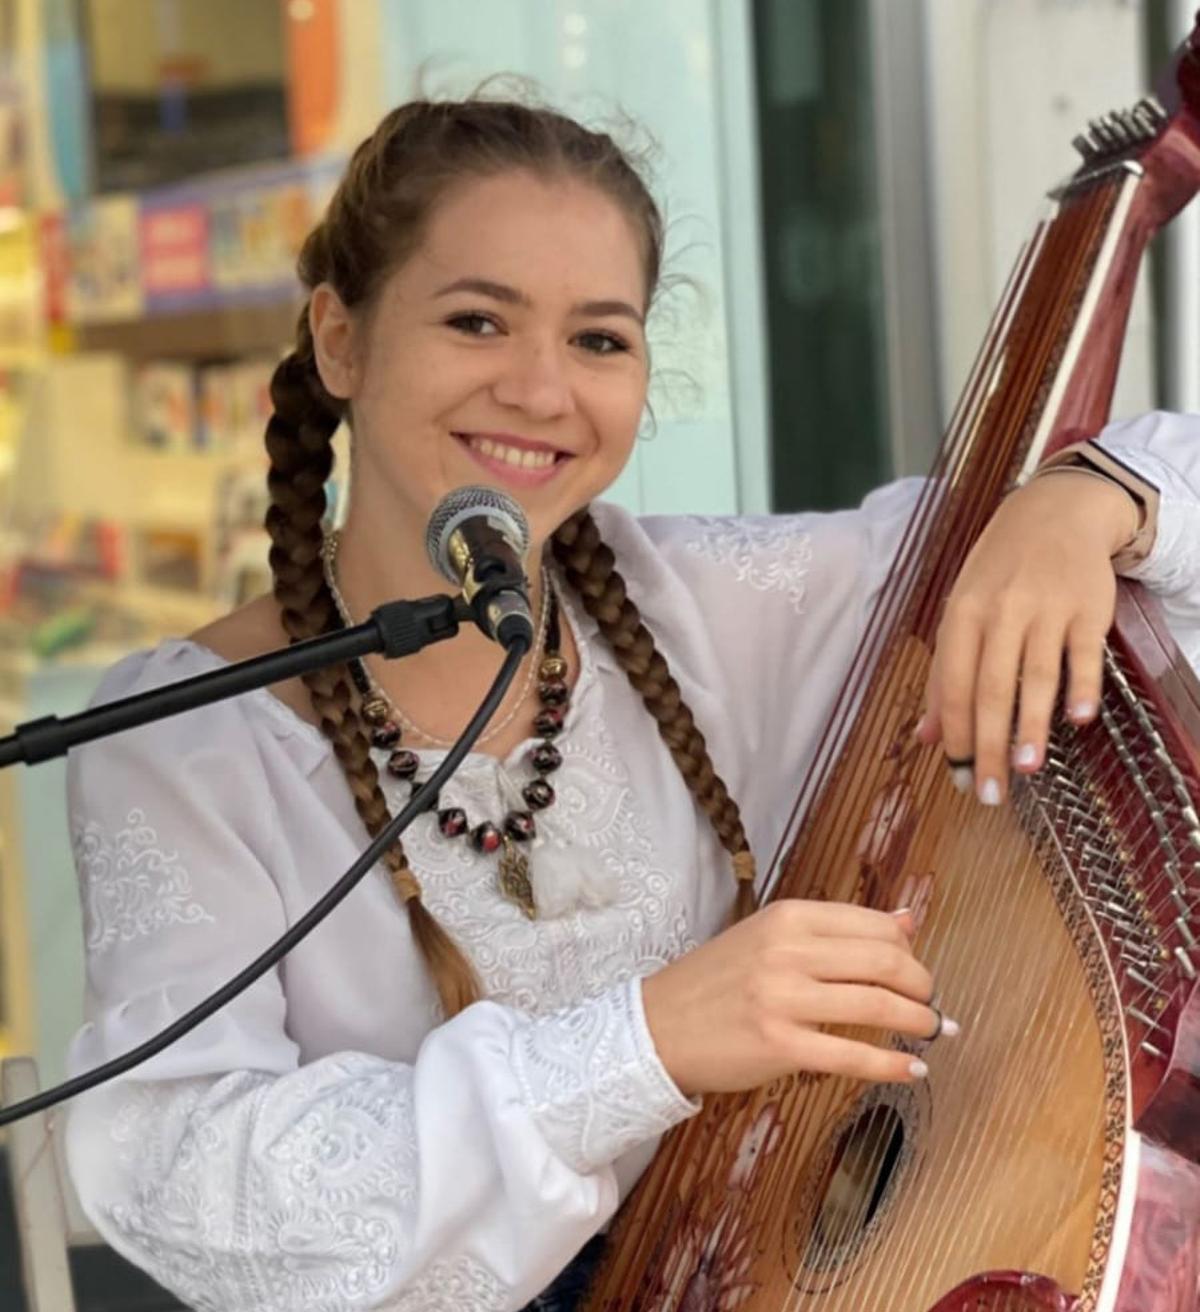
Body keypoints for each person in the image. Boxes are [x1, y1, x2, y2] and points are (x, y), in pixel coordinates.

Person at [61, 97, 1200, 1312]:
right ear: (341, 339)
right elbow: (177, 1167)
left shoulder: (703, 604)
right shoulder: (183, 737)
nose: (543, 390)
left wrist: (1084, 503)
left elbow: (1111, 526)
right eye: (477, 320)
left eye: (599, 341)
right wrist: (642, 1044)